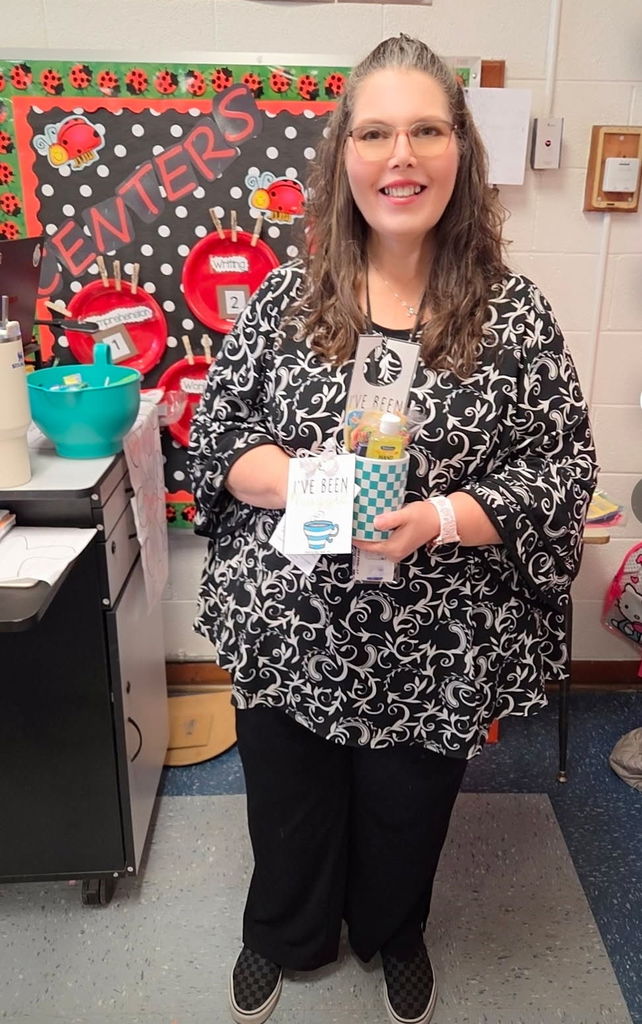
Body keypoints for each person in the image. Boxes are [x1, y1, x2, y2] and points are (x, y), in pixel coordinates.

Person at [188, 34, 598, 1024]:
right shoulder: (286, 302)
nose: (400, 155)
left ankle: (394, 929)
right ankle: (281, 930)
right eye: (375, 132)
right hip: (293, 627)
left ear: (460, 152)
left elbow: (564, 468)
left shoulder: (515, 318)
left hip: (439, 642)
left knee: (407, 811)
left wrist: (445, 517)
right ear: (343, 157)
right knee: (288, 800)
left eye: (425, 129)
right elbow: (219, 438)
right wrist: (300, 480)